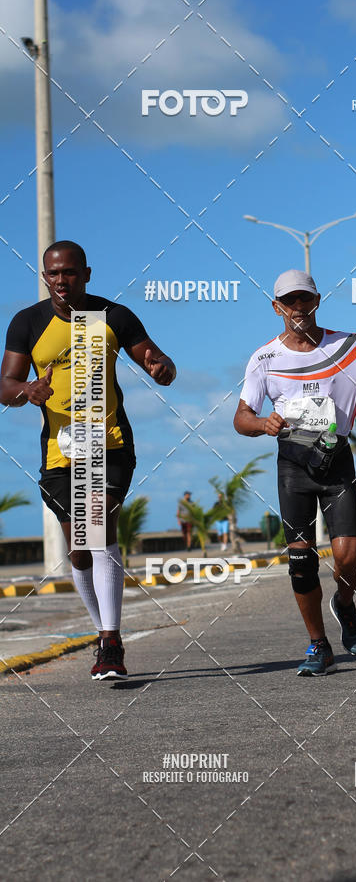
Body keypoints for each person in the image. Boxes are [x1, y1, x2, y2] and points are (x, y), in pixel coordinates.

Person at [0, 241, 176, 680]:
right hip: (60, 451)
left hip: (111, 444)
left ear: (87, 274)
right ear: (45, 277)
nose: (62, 281)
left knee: (96, 529)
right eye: (54, 274)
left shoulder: (113, 316)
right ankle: (103, 633)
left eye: (71, 273)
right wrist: (25, 392)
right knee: (79, 550)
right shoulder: (27, 322)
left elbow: (159, 363)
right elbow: (5, 385)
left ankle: (111, 643)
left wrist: (163, 370)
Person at [233, 268, 356, 676]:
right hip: (293, 463)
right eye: (290, 301)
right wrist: (262, 423)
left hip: (336, 459)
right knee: (301, 562)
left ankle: (346, 604)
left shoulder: (351, 346)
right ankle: (318, 645)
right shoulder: (264, 358)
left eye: (305, 299)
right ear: (276, 307)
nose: (298, 307)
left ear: (317, 300)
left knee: (347, 558)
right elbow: (241, 417)